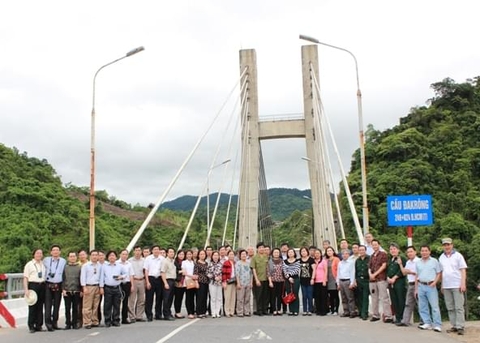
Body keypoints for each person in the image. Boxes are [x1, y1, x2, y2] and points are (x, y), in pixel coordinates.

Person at [439, 238, 467, 335]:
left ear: (452, 245)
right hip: (446, 285)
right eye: (445, 245)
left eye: (448, 245)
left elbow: (463, 270)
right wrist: (442, 285)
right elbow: (441, 272)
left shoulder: (458, 256)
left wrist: (463, 283)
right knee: (450, 307)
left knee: (459, 307)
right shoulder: (441, 257)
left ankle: (460, 326)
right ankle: (454, 325)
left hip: (457, 284)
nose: (447, 247)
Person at [416, 245, 442, 332]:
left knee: (434, 306)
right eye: (422, 251)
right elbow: (417, 275)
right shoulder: (418, 262)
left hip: (431, 285)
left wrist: (435, 282)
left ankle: (437, 324)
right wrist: (416, 288)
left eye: (426, 250)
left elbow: (439, 273)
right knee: (422, 306)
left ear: (429, 252)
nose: (424, 252)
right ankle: (427, 322)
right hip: (421, 285)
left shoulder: (434, 261)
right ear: (420, 252)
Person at [368, 239, 392, 322]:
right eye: (373, 245)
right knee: (374, 298)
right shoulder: (371, 256)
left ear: (379, 245)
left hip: (381, 278)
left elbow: (383, 266)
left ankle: (388, 316)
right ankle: (375, 314)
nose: (374, 246)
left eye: (376, 244)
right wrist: (370, 275)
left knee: (384, 297)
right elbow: (369, 267)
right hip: (372, 280)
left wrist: (375, 274)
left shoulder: (383, 254)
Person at [44, 244, 67, 331]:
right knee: (48, 305)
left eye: (57, 250)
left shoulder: (63, 261)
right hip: (48, 284)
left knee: (57, 305)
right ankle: (48, 324)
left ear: (60, 252)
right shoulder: (46, 260)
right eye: (53, 250)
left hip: (58, 284)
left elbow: (65, 274)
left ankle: (55, 323)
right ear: (51, 252)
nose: (55, 251)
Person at [100, 250, 125, 327]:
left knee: (117, 305)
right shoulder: (104, 266)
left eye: (113, 255)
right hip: (107, 288)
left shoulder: (119, 266)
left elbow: (125, 274)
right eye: (110, 255)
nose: (112, 257)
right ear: (108, 257)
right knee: (107, 305)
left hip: (117, 287)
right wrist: (101, 287)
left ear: (116, 257)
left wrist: (121, 277)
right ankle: (107, 320)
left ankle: (116, 320)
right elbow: (102, 277)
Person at [23, 248, 46, 333]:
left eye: (40, 253)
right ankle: (31, 325)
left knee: (40, 306)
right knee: (32, 306)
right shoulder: (29, 264)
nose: (39, 255)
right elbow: (25, 278)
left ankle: (39, 325)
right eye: (37, 253)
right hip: (33, 285)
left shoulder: (43, 264)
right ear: (34, 254)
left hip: (42, 285)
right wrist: (26, 290)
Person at [396, 246, 419, 327]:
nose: (409, 253)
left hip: (418, 284)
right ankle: (405, 321)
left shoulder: (418, 261)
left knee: (420, 304)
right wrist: (401, 264)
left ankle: (424, 321)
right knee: (408, 303)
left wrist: (411, 272)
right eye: (408, 252)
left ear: (415, 252)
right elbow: (404, 272)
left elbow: (419, 273)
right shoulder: (408, 262)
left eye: (411, 251)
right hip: (410, 284)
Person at [80, 250, 102, 329]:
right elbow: (83, 277)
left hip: (97, 286)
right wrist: (84, 287)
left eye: (96, 255)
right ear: (90, 256)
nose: (95, 256)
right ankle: (87, 322)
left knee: (95, 305)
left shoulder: (100, 265)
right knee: (87, 306)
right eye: (93, 255)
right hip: (88, 286)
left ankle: (94, 321)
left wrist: (101, 287)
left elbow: (101, 277)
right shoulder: (86, 266)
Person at [386, 243, 406, 324]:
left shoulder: (402, 259)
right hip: (391, 282)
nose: (392, 251)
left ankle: (401, 318)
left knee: (400, 300)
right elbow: (387, 270)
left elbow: (402, 270)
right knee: (394, 300)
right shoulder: (390, 259)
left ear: (398, 250)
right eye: (391, 249)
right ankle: (397, 317)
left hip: (399, 282)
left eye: (394, 249)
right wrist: (388, 278)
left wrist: (395, 277)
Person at [144, 245, 164, 321]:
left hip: (159, 279)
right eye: (155, 249)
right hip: (151, 278)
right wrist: (147, 281)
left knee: (159, 298)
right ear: (152, 251)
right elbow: (146, 270)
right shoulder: (148, 259)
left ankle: (158, 314)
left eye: (157, 249)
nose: (156, 251)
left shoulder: (162, 259)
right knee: (149, 298)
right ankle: (149, 315)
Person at [62, 251, 82, 330]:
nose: (72, 258)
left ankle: (74, 323)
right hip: (67, 290)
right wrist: (63, 289)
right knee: (67, 308)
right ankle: (68, 323)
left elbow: (81, 279)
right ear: (68, 258)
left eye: (74, 256)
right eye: (71, 256)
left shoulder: (80, 267)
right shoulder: (65, 267)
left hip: (77, 290)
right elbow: (63, 279)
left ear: (76, 257)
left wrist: (81, 290)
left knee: (75, 308)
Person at [250, 242, 269, 316]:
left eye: (262, 248)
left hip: (265, 279)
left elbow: (267, 268)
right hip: (258, 279)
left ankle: (265, 309)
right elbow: (253, 269)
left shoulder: (265, 257)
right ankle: (259, 310)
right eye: (260, 248)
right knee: (259, 295)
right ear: (257, 249)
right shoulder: (254, 258)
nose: (261, 249)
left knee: (265, 295)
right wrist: (256, 279)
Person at [128, 245, 146, 322]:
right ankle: (132, 316)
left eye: (139, 250)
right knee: (132, 299)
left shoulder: (144, 260)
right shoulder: (130, 261)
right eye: (136, 250)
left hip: (142, 280)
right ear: (134, 251)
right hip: (134, 280)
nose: (138, 252)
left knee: (141, 299)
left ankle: (139, 316)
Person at [337, 249, 356, 318]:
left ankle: (352, 311)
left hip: (348, 280)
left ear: (348, 255)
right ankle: (346, 311)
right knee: (343, 298)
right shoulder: (340, 263)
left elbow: (352, 273)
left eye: (346, 254)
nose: (344, 255)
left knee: (350, 297)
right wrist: (338, 283)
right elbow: (338, 273)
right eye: (343, 254)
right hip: (341, 281)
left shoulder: (351, 262)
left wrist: (352, 282)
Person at [354, 245, 370, 320]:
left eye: (363, 250)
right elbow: (355, 271)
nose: (361, 251)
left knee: (365, 297)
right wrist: (355, 280)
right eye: (360, 250)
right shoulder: (357, 260)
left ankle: (365, 313)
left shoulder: (369, 259)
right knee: (359, 297)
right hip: (359, 280)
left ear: (365, 250)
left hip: (366, 280)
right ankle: (360, 311)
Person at [118, 249, 134, 324]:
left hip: (127, 284)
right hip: (118, 284)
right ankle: (116, 318)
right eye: (123, 254)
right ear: (120, 255)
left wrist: (132, 285)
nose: (124, 256)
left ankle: (124, 318)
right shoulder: (116, 263)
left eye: (126, 254)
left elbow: (131, 275)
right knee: (117, 302)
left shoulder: (129, 264)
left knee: (125, 302)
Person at [283, 248, 300, 316]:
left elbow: (297, 270)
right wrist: (289, 277)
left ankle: (296, 310)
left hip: (295, 279)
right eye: (289, 252)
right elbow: (284, 270)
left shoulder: (297, 261)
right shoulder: (284, 261)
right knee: (289, 294)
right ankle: (291, 310)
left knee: (295, 293)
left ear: (294, 253)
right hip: (287, 279)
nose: (290, 253)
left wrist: (290, 276)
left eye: (291, 252)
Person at [267, 248, 285, 316]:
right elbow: (268, 272)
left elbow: (285, 270)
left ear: (279, 253)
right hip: (273, 280)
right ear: (272, 253)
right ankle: (274, 309)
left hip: (281, 280)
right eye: (275, 252)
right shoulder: (270, 261)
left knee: (280, 295)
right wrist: (270, 281)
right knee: (273, 296)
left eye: (277, 252)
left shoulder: (282, 261)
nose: (276, 254)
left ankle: (279, 309)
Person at [161, 247, 177, 321]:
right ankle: (166, 314)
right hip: (168, 280)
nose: (172, 253)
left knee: (171, 298)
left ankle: (169, 312)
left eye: (173, 252)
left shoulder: (173, 261)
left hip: (173, 281)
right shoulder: (165, 261)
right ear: (167, 253)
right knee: (166, 299)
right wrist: (165, 283)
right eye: (170, 252)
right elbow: (162, 272)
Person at [235, 249, 252, 317]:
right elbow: (237, 274)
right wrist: (238, 283)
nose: (244, 255)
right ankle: (240, 312)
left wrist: (251, 283)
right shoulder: (238, 263)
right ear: (240, 255)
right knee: (240, 298)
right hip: (241, 283)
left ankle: (247, 311)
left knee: (247, 298)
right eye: (242, 254)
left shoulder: (249, 262)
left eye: (245, 254)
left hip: (248, 282)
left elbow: (251, 274)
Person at [299, 247, 315, 315]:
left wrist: (312, 278)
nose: (303, 252)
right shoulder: (299, 260)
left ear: (307, 252)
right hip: (302, 280)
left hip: (309, 280)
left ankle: (310, 310)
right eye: (302, 251)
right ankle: (305, 310)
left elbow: (314, 269)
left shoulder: (311, 260)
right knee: (304, 295)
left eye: (304, 251)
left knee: (310, 295)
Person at [207, 251, 223, 318]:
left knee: (219, 298)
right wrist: (214, 277)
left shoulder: (221, 264)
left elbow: (223, 273)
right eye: (214, 255)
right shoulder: (209, 264)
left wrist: (220, 277)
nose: (215, 257)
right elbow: (207, 273)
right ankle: (213, 312)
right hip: (212, 283)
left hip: (219, 283)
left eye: (217, 255)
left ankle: (217, 312)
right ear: (212, 256)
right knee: (213, 298)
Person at [194, 250, 209, 318]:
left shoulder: (206, 263)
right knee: (199, 297)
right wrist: (196, 282)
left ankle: (203, 311)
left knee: (205, 297)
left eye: (203, 254)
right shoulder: (197, 263)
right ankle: (199, 312)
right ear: (198, 255)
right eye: (201, 254)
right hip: (200, 281)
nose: (202, 255)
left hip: (206, 282)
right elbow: (195, 273)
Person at [313, 248, 328, 316]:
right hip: (316, 281)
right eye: (315, 253)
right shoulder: (313, 261)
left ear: (320, 254)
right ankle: (318, 310)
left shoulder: (323, 261)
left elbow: (326, 271)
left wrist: (324, 280)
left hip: (322, 281)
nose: (317, 254)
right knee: (317, 296)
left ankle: (324, 310)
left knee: (323, 296)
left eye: (318, 253)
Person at [325, 246, 340, 315]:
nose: (329, 252)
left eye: (330, 250)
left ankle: (336, 310)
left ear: (333, 251)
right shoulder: (326, 260)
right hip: (328, 279)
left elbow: (339, 270)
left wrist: (338, 279)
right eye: (328, 251)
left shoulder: (336, 259)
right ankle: (331, 309)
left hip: (334, 279)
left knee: (335, 295)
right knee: (330, 295)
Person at [182, 250, 196, 319]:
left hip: (193, 281)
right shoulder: (184, 262)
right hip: (187, 281)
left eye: (190, 254)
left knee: (192, 297)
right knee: (188, 297)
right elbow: (184, 273)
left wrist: (194, 277)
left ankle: (193, 311)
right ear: (186, 255)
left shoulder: (193, 262)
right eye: (188, 254)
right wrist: (191, 276)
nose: (189, 255)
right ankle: (189, 312)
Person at [222, 250, 236, 317]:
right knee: (227, 297)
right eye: (230, 254)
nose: (231, 256)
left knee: (233, 297)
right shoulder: (226, 263)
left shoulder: (235, 263)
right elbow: (224, 273)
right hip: (228, 281)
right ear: (228, 255)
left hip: (234, 282)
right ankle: (227, 311)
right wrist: (224, 281)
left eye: (233, 254)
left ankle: (232, 311)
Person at [173, 250, 186, 319]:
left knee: (181, 298)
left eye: (183, 254)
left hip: (184, 282)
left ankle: (179, 311)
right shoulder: (175, 262)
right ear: (177, 255)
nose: (181, 256)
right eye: (180, 254)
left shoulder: (185, 262)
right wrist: (180, 271)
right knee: (177, 298)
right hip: (177, 282)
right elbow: (173, 271)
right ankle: (177, 312)